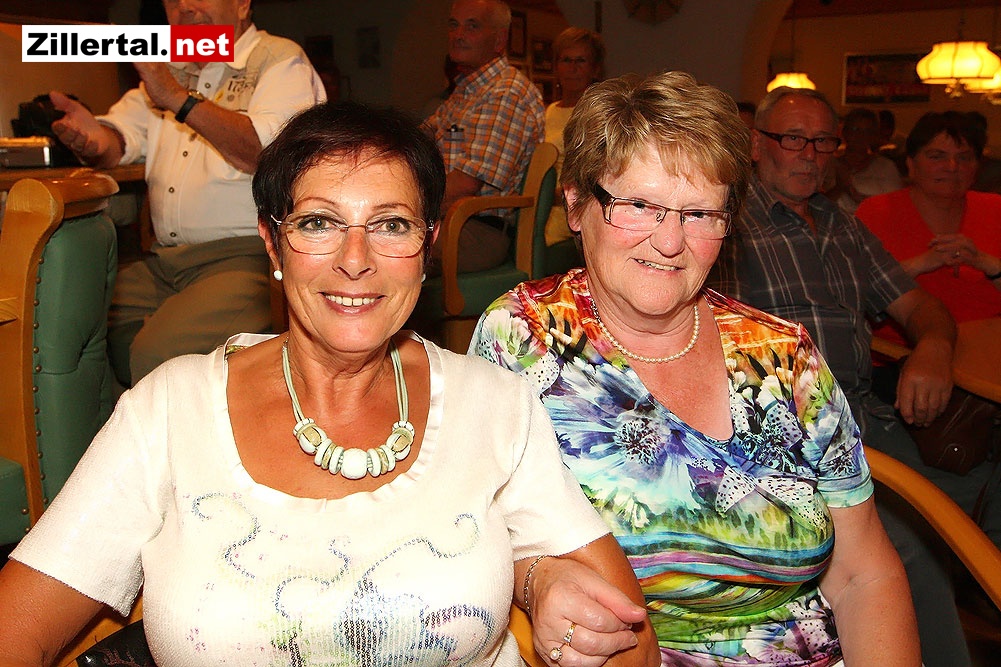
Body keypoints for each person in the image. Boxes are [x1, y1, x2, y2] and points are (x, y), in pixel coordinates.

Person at [0, 102, 658, 667]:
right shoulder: (170, 410)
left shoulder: (494, 404)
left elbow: (633, 645)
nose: (355, 260)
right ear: (272, 242)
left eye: (391, 225)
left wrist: (545, 585)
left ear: (427, 245)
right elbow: (16, 627)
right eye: (318, 222)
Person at [470, 71, 919, 666]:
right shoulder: (523, 338)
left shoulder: (783, 355)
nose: (670, 242)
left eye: (701, 213)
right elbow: (477, 531)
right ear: (576, 205)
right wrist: (538, 578)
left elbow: (864, 575)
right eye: (638, 206)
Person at [708, 87, 976, 667]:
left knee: (979, 484)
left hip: (869, 416)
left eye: (823, 141)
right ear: (755, 145)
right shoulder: (728, 224)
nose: (810, 155)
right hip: (785, 432)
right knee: (917, 547)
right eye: (793, 139)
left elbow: (920, 306)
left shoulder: (842, 225)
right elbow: (710, 342)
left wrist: (933, 347)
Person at [49, 0, 326, 386]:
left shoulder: (278, 59)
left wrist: (178, 98)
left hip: (251, 258)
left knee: (155, 354)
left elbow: (268, 152)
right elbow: (118, 138)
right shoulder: (171, 67)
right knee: (67, 317)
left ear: (242, 5)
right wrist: (92, 138)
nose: (185, 7)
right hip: (164, 261)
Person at [857, 111, 1001, 347]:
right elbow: (855, 295)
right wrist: (922, 263)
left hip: (989, 347)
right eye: (937, 157)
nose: (952, 167)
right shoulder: (875, 211)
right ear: (911, 164)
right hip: (903, 352)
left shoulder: (995, 208)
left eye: (964, 158)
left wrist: (984, 262)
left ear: (977, 167)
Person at [424, 0, 545, 274]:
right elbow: (418, 141)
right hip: (447, 220)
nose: (458, 35)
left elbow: (465, 185)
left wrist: (405, 204)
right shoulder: (466, 91)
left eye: (472, 26)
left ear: (499, 40)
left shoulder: (506, 93)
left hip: (477, 231)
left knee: (384, 241)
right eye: (454, 25)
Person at [543, 27, 605, 247]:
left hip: (571, 216)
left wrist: (549, 196)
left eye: (581, 60)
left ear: (595, 69)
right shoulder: (549, 111)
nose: (573, 68)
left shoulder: (597, 113)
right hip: (538, 211)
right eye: (566, 60)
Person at [826, 107, 902, 214]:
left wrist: (855, 195)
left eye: (867, 131)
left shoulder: (886, 167)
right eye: (855, 129)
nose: (861, 136)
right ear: (844, 132)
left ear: (874, 135)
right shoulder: (828, 166)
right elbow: (816, 207)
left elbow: (896, 206)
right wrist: (839, 187)